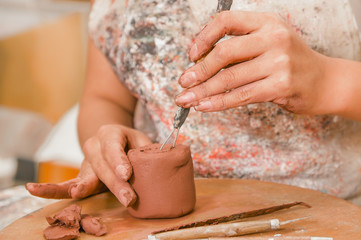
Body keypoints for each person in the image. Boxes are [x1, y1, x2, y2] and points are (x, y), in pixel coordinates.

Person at [26, 0, 361, 206]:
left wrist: (330, 81)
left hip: (319, 213)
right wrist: (107, 139)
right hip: (151, 211)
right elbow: (105, 97)